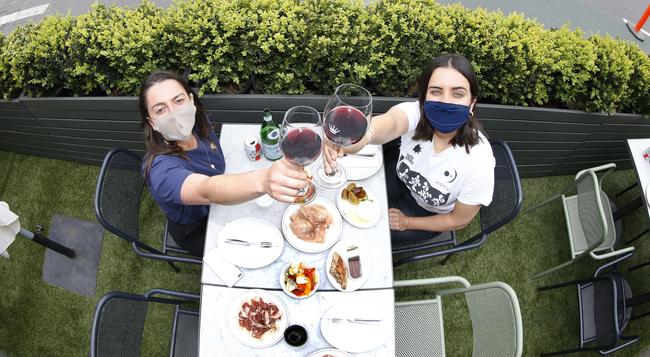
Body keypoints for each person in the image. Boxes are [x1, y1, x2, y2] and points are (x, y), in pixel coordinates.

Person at [323, 54, 495, 244]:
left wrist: (407, 222)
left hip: (426, 213)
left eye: (458, 93)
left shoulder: (479, 162)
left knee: (372, 238)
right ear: (424, 98)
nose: (446, 102)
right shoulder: (417, 113)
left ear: (472, 104)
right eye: (436, 91)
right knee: (344, 202)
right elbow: (391, 122)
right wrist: (360, 136)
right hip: (398, 180)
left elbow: (458, 220)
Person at [139, 71, 307, 257]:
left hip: (223, 202)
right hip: (199, 227)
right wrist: (263, 179)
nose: (174, 114)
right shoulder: (161, 171)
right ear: (151, 122)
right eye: (160, 110)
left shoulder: (198, 126)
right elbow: (205, 189)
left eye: (178, 101)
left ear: (191, 100)